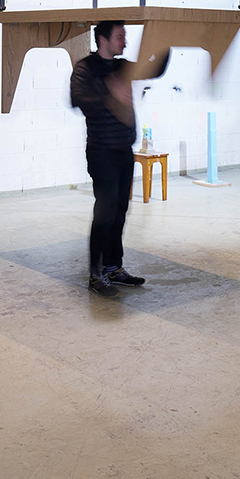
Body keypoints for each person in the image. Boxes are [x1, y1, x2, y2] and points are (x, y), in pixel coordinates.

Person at [70, 20, 146, 297]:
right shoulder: (84, 69)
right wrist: (109, 92)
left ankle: (114, 268)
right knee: (104, 212)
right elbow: (77, 99)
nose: (124, 42)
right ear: (102, 39)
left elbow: (154, 69)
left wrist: (165, 39)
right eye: (120, 36)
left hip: (124, 150)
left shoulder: (122, 66)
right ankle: (96, 273)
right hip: (101, 152)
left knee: (120, 211)